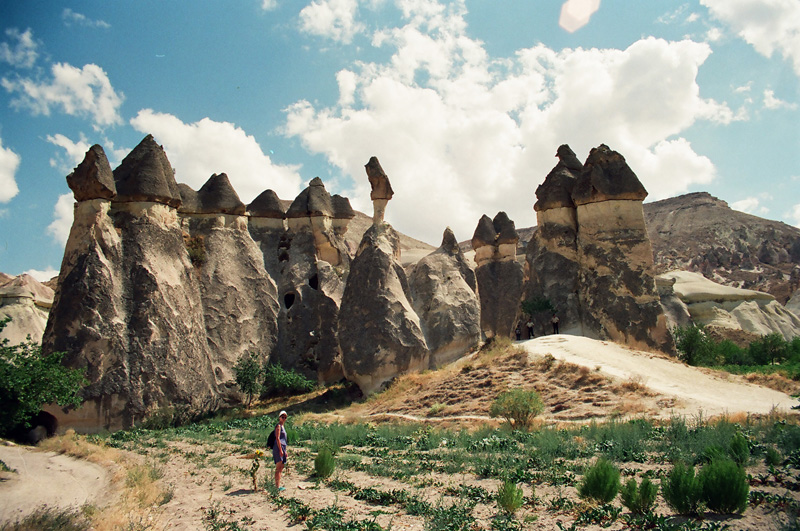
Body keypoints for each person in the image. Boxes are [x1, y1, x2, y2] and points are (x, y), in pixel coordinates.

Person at [273, 410, 288, 490]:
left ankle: (278, 485)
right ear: (279, 417)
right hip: (278, 448)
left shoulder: (283, 426)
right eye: (282, 417)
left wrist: (285, 451)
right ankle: (277, 487)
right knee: (278, 467)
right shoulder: (278, 426)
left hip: (282, 447)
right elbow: (278, 439)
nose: (284, 418)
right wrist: (281, 450)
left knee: (282, 466)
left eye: (285, 417)